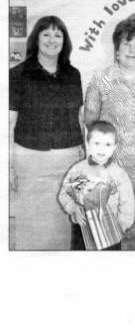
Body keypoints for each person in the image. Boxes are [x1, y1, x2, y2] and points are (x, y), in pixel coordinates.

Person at [84, 17, 135, 249]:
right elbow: (90, 122)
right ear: (117, 47)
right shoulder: (102, 79)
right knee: (110, 233)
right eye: (126, 43)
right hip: (111, 170)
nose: (132, 49)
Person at [9, 16, 84, 250]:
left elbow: (79, 118)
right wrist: (8, 164)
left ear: (65, 41)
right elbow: (9, 122)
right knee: (31, 217)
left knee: (63, 216)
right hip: (29, 157)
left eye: (58, 35)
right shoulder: (18, 74)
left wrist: (83, 155)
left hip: (67, 157)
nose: (52, 40)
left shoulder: (73, 74)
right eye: (46, 34)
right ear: (36, 39)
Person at [58, 121, 135, 250]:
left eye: (107, 144)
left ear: (115, 147)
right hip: (82, 229)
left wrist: (122, 225)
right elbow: (64, 194)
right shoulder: (79, 170)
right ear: (88, 144)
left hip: (110, 230)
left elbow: (128, 204)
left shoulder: (119, 174)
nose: (101, 149)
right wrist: (73, 209)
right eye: (97, 143)